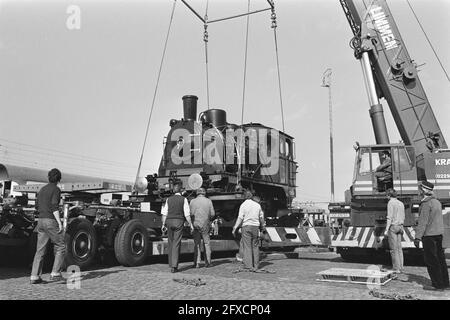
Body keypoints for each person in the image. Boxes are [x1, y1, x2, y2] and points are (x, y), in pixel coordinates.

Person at [30, 168, 65, 284]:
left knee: (40, 249)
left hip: (40, 221)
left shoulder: (42, 189)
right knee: (61, 245)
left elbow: (37, 205)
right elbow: (55, 207)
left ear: (49, 177)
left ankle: (34, 276)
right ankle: (55, 273)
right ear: (59, 179)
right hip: (50, 220)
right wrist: (59, 222)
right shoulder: (56, 189)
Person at [414, 181, 450, 291]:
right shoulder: (437, 202)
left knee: (431, 261)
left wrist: (417, 237)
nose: (419, 191)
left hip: (429, 236)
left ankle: (437, 285)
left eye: (420, 189)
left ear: (424, 190)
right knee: (440, 259)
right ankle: (445, 283)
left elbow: (423, 222)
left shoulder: (426, 204)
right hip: (438, 235)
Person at [161, 181, 194, 273]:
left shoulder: (168, 199)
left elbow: (164, 213)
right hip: (178, 222)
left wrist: (163, 225)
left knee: (170, 243)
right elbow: (187, 214)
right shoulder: (184, 199)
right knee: (176, 243)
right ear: (181, 190)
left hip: (169, 222)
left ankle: (170, 263)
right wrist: (191, 224)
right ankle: (174, 266)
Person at [232, 191, 265, 271]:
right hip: (255, 227)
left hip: (246, 227)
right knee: (255, 246)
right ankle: (256, 265)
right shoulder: (257, 205)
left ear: (244, 197)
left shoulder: (243, 205)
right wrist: (263, 226)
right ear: (251, 196)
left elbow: (240, 218)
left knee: (247, 247)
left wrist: (235, 227)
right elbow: (261, 218)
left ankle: (249, 266)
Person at [190, 187, 215, 268]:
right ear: (204, 193)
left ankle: (196, 263)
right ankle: (207, 262)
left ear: (197, 193)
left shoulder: (193, 201)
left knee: (196, 244)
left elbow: (191, 213)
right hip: (205, 224)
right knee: (206, 243)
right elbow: (212, 214)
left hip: (195, 223)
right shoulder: (208, 201)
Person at [383, 188, 405, 275]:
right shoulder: (401, 203)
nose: (386, 197)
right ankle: (401, 267)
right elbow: (403, 216)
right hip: (400, 226)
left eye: (387, 195)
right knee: (399, 248)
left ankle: (396, 268)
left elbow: (389, 217)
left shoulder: (390, 203)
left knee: (393, 249)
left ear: (389, 195)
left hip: (393, 227)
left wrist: (386, 229)